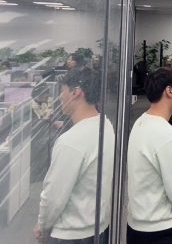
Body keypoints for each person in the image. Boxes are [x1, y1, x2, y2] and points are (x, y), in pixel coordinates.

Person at [34, 68, 115, 244]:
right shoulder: (105, 125)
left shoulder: (71, 141)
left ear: (75, 92)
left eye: (62, 91)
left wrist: (43, 225)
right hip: (98, 227)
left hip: (71, 234)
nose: (59, 98)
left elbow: (54, 196)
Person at [127, 68, 172, 243]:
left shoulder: (140, 123)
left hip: (137, 224)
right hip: (160, 229)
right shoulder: (168, 135)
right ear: (169, 91)